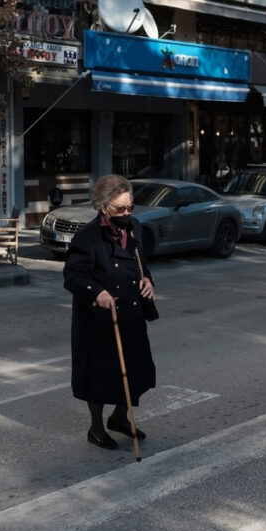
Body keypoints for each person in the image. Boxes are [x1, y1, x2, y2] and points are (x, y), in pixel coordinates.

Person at [63, 173, 156, 451]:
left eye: (130, 208)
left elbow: (141, 264)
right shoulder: (88, 236)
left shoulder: (135, 227)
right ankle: (96, 427)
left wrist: (148, 281)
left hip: (131, 313)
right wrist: (96, 291)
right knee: (100, 376)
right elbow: (73, 275)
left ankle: (119, 417)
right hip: (100, 319)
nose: (126, 214)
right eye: (120, 209)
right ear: (103, 207)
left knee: (135, 370)